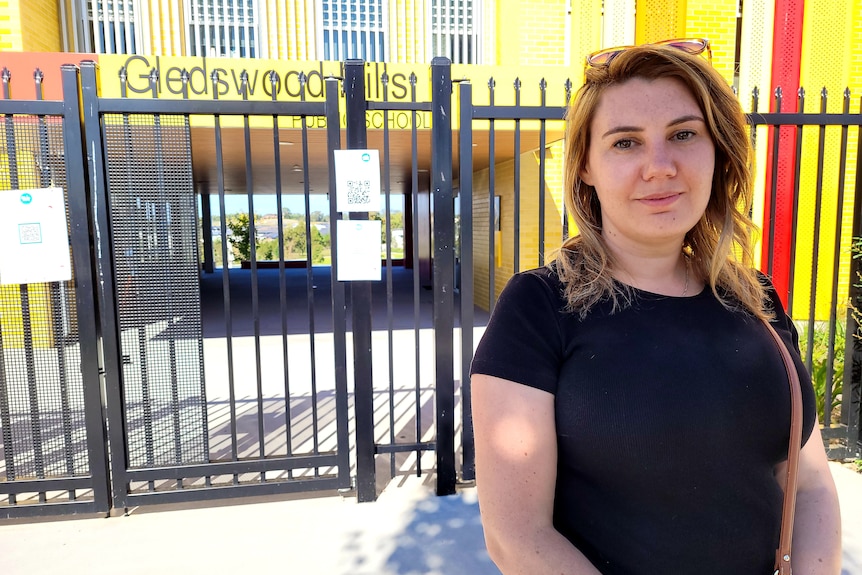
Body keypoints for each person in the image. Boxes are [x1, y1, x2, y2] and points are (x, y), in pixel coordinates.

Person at [470, 39, 842, 575]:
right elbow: (518, 537)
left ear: (718, 152)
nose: (660, 166)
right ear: (585, 169)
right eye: (625, 143)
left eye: (684, 134)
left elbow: (808, 485)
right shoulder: (538, 309)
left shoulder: (757, 300)